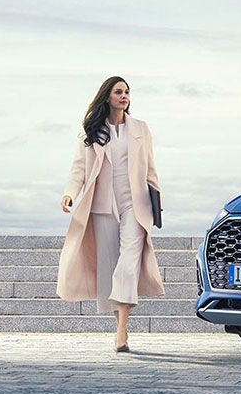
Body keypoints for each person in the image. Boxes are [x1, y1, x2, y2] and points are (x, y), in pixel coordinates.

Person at [56, 75, 165, 351]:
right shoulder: (90, 132)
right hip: (102, 206)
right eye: (118, 92)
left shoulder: (141, 129)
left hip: (135, 206)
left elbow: (150, 169)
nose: (124, 96)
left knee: (128, 263)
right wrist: (70, 192)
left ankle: (121, 330)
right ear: (107, 96)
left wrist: (156, 198)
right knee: (109, 266)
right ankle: (119, 327)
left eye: (127, 92)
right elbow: (78, 169)